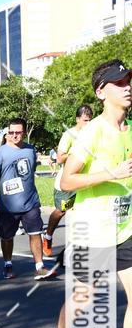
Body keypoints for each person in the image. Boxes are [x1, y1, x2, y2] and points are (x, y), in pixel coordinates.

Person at [46, 59, 132, 328]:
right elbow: (67, 180)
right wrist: (111, 173)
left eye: (129, 81)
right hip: (92, 232)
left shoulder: (131, 129)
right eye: (120, 82)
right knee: (82, 300)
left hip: (125, 229)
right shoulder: (92, 132)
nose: (127, 87)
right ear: (101, 92)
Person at [0, 118, 53, 280]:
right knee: (7, 237)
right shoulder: (2, 151)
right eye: (11, 133)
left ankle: (39, 266)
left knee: (35, 233)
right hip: (8, 206)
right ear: (7, 133)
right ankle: (7, 264)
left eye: (18, 132)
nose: (15, 136)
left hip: (30, 202)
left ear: (24, 132)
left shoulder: (30, 150)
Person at [42, 105, 93, 257]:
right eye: (85, 120)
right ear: (77, 119)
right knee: (60, 212)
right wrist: (75, 152)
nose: (88, 124)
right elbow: (59, 158)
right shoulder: (69, 134)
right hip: (67, 183)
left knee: (84, 213)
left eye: (90, 120)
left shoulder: (93, 134)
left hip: (84, 183)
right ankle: (48, 236)